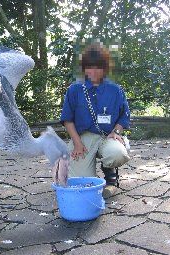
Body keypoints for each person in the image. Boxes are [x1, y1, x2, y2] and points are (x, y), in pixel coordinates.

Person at [60, 42, 130, 187]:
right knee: (81, 183)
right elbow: (68, 119)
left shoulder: (115, 90)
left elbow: (124, 115)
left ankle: (109, 169)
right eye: (89, 67)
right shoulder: (75, 90)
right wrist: (77, 143)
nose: (94, 71)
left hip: (108, 136)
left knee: (118, 154)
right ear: (84, 68)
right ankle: (89, 170)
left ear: (105, 68)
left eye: (98, 67)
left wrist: (117, 131)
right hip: (84, 138)